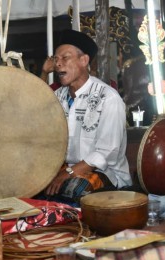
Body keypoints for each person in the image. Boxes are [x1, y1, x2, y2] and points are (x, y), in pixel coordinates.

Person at [43, 29, 132, 205]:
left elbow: (107, 153)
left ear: (84, 60)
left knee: (74, 190)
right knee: (31, 186)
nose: (58, 64)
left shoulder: (108, 98)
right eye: (56, 59)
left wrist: (68, 173)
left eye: (65, 58)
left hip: (105, 173)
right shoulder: (57, 98)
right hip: (68, 169)